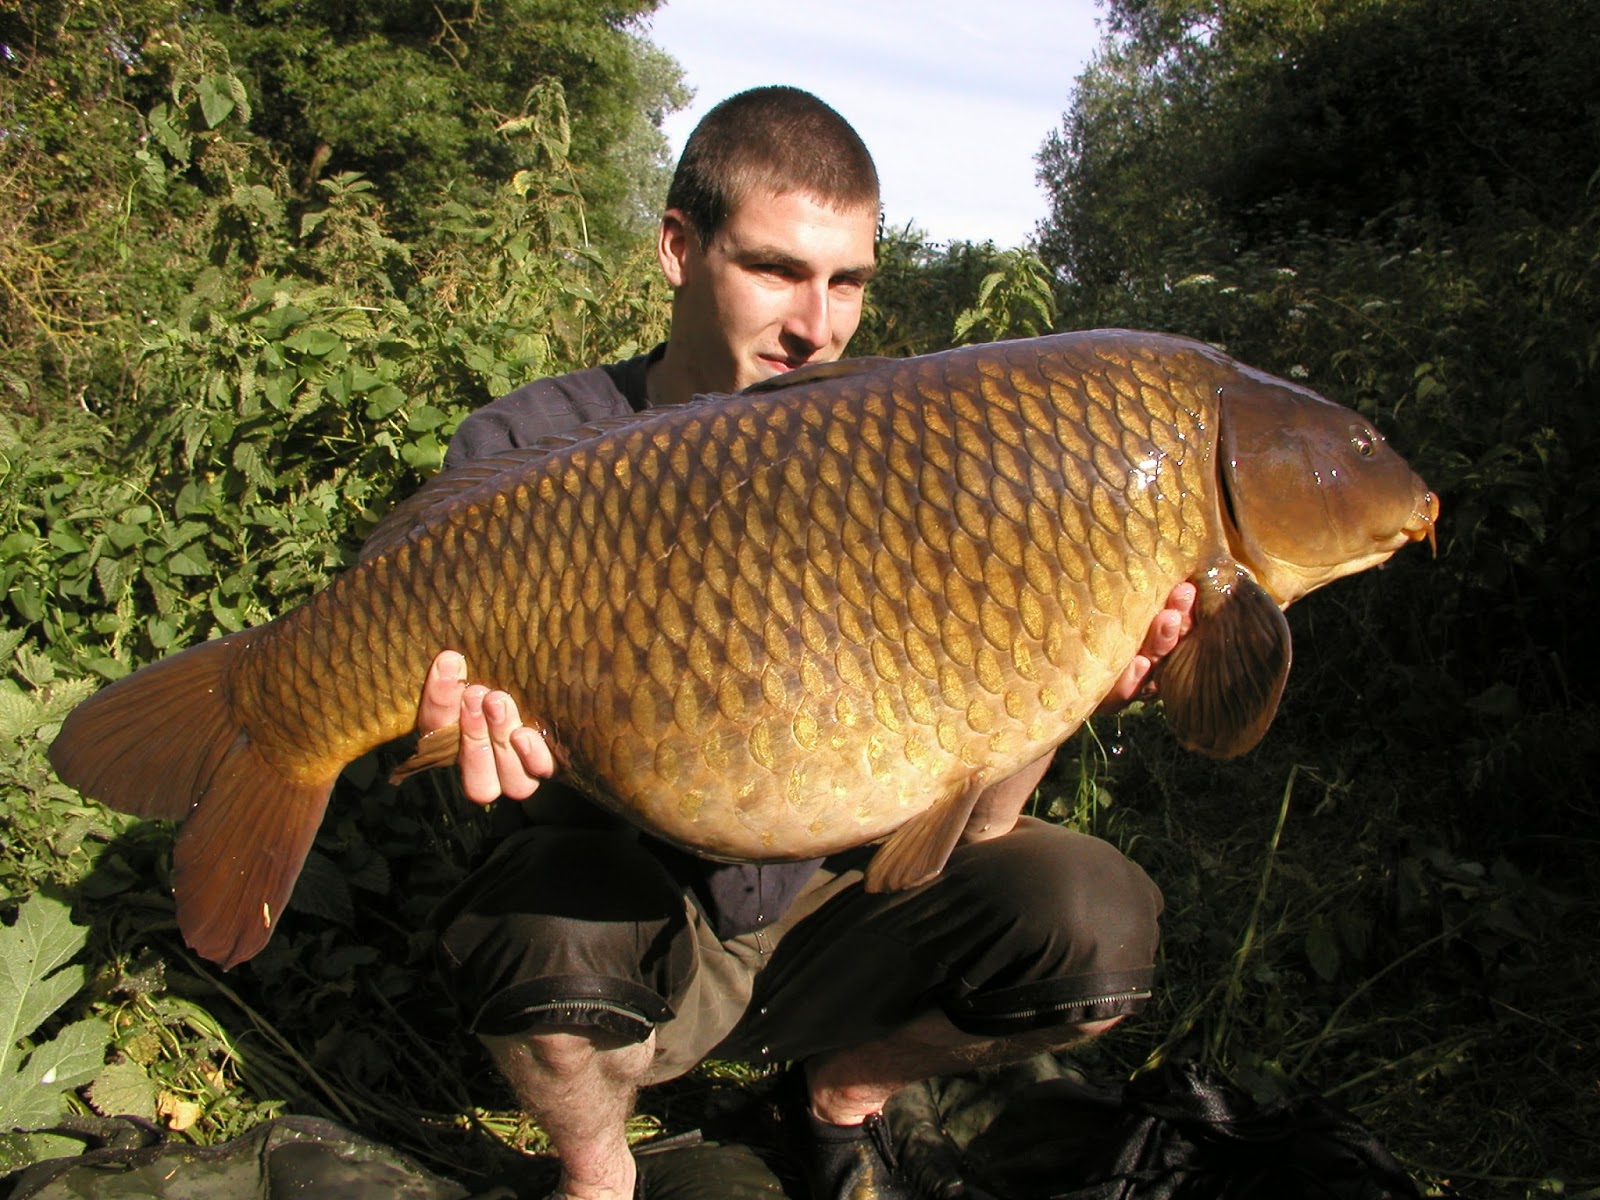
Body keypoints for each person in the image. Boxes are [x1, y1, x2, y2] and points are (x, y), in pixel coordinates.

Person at [410, 87, 1195, 1200]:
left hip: (844, 905)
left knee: (1095, 922)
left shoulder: (914, 449)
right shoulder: (534, 449)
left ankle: (845, 1090)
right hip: (645, 914)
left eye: (848, 283)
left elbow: (981, 820)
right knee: (540, 922)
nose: (815, 326)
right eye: (776, 270)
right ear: (679, 248)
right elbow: (502, 801)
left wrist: (1066, 674)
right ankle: (597, 1171)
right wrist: (478, 748)